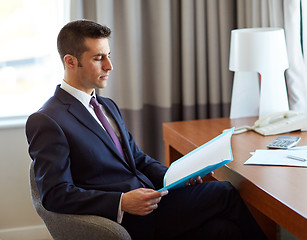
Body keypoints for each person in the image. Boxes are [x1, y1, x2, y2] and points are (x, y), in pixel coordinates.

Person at [26, 19, 266, 240]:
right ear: (70, 61)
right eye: (99, 58)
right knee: (222, 192)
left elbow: (137, 160)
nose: (109, 66)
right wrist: (121, 202)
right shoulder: (48, 120)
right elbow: (55, 194)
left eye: (108, 55)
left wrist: (177, 177)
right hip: (128, 220)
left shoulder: (107, 105)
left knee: (224, 231)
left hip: (154, 202)